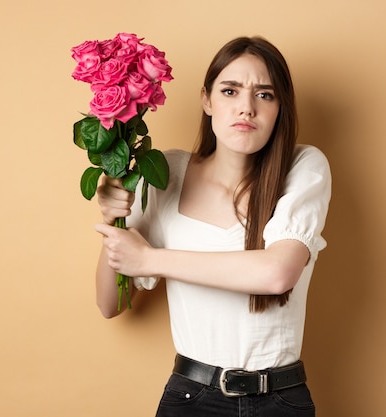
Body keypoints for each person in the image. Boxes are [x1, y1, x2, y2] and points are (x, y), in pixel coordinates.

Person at [93, 36, 331, 417]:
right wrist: (114, 224)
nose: (246, 108)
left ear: (280, 107)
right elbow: (111, 304)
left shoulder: (303, 167)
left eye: (265, 95)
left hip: (280, 400)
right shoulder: (165, 172)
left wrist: (149, 259)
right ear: (207, 100)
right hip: (191, 398)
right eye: (230, 90)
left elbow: (277, 273)